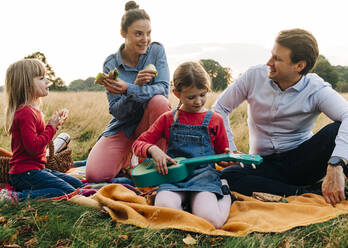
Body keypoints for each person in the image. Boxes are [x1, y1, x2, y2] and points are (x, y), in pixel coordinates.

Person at [212, 28, 348, 206]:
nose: (269, 62)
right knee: (227, 177)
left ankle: (316, 183)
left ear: (299, 66)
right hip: (262, 163)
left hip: (302, 162)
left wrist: (336, 164)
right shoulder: (254, 76)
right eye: (271, 55)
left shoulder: (316, 88)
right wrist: (228, 148)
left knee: (336, 130)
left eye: (277, 59)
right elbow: (220, 108)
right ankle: (305, 192)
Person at [132, 61, 232, 228]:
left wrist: (228, 159)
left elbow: (222, 156)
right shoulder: (168, 118)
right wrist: (153, 149)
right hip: (173, 179)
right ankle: (187, 205)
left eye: (202, 94)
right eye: (191, 97)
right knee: (163, 213)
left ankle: (225, 192)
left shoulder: (215, 120)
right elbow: (138, 144)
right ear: (176, 93)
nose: (198, 101)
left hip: (203, 178)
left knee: (211, 221)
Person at [86, 1, 171, 182]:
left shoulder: (156, 51)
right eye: (138, 34)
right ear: (123, 33)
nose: (145, 39)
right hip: (124, 126)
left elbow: (164, 90)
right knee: (95, 175)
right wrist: (132, 90)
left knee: (159, 102)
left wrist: (129, 88)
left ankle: (155, 164)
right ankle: (128, 159)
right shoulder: (111, 64)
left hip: (152, 125)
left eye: (148, 33)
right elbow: (116, 111)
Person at [0, 58, 82, 202]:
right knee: (69, 191)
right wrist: (51, 127)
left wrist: (54, 125)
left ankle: (26, 191)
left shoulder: (33, 110)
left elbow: (39, 138)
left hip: (37, 169)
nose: (47, 81)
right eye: (41, 78)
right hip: (25, 173)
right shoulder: (25, 113)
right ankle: (17, 197)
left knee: (77, 184)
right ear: (27, 84)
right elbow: (34, 148)